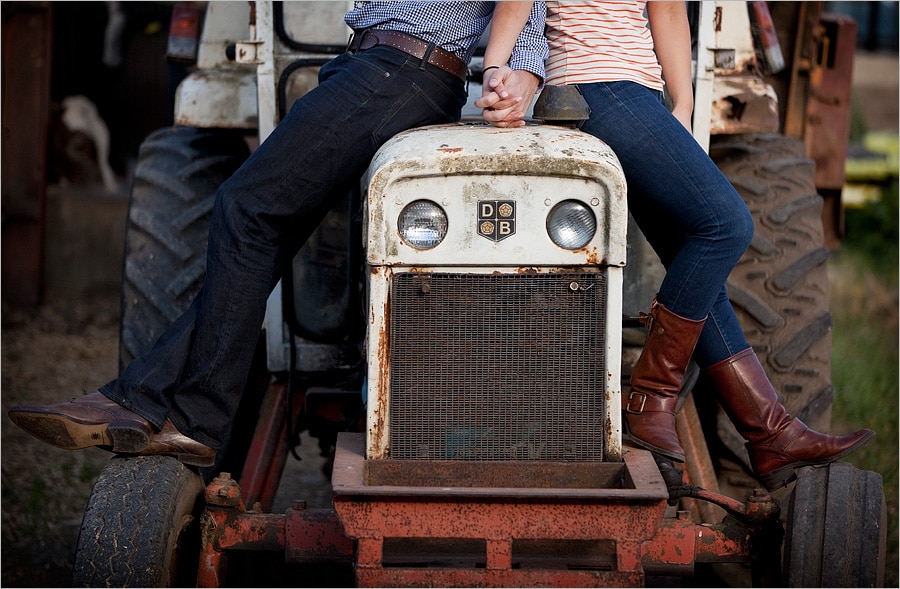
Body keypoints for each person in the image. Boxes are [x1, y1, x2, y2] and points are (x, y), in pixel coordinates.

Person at [8, 2, 548, 467]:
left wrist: (521, 69)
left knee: (247, 209)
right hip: (377, 64)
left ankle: (195, 418)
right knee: (269, 227)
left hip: (401, 67)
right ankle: (141, 396)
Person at [501, 1, 870, 492]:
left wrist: (681, 102)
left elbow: (668, 9)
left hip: (635, 95)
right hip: (595, 88)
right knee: (727, 224)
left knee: (699, 276)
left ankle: (770, 434)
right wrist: (499, 68)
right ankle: (651, 397)